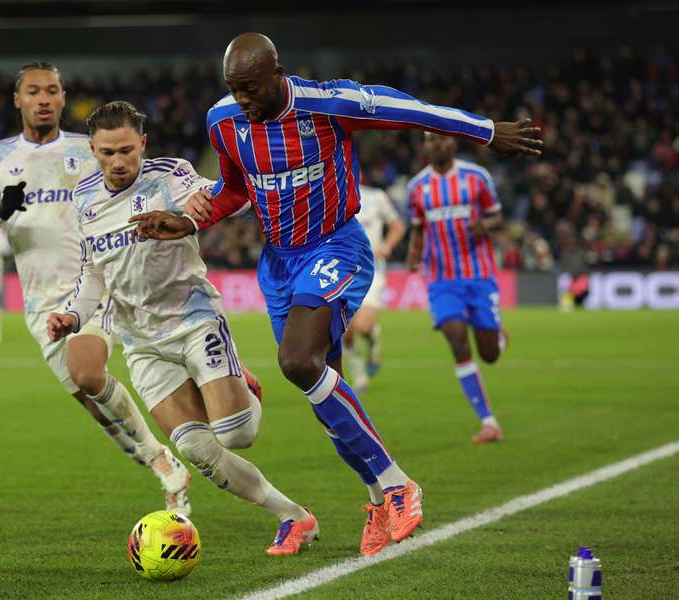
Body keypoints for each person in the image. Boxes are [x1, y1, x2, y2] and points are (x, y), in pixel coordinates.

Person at [130, 33, 542, 556]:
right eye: (235, 89)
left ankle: (397, 484)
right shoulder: (224, 121)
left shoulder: (328, 104)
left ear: (277, 74)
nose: (244, 99)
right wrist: (188, 219)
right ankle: (376, 500)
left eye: (252, 87)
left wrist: (486, 131)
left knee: (297, 360)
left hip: (335, 245)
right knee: (327, 392)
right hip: (279, 263)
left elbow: (409, 111)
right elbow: (235, 189)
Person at [47, 100, 319, 556]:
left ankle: (245, 386)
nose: (118, 161)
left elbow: (231, 198)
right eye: (108, 152)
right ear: (92, 150)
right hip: (141, 342)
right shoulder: (85, 199)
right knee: (196, 449)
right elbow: (92, 273)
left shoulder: (170, 176)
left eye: (127, 150)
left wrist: (199, 207)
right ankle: (294, 517)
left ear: (143, 144)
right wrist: (73, 316)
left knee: (238, 435)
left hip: (193, 321)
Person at [0, 62, 191, 515]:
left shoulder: (88, 151)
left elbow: (133, 184)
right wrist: (2, 211)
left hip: (94, 284)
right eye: (33, 91)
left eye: (52, 90)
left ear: (63, 98)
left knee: (88, 373)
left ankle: (166, 458)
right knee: (95, 405)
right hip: (40, 303)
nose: (43, 98)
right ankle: (156, 460)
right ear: (18, 99)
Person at [405, 133, 509, 443]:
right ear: (424, 146)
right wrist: (413, 253)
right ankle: (488, 421)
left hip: (479, 275)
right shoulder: (417, 187)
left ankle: (498, 335)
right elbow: (417, 228)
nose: (437, 144)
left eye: (442, 139)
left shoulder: (476, 177)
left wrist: (485, 225)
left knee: (489, 354)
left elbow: (497, 216)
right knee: (455, 336)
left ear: (453, 142)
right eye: (430, 140)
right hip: (441, 279)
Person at [342, 183, 406, 392]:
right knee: (345, 331)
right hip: (342, 272)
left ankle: (372, 338)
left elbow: (398, 226)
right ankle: (359, 374)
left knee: (364, 327)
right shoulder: (332, 193)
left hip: (372, 271)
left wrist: (386, 246)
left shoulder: (376, 197)